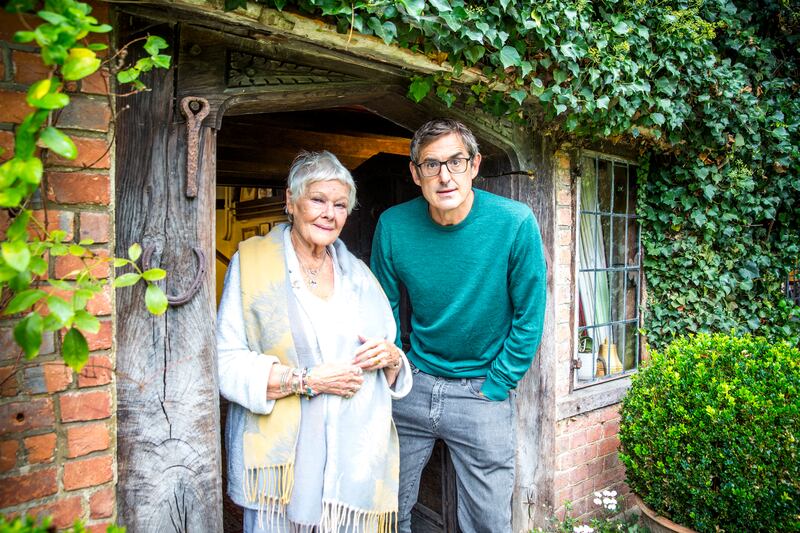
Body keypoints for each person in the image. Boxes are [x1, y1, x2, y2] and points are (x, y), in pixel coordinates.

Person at [217, 150, 412, 533]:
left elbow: (391, 354)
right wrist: (307, 381)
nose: (330, 213)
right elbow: (225, 361)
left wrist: (391, 359)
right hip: (282, 466)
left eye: (340, 205)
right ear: (291, 201)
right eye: (318, 200)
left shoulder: (358, 274)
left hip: (348, 463)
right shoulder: (252, 263)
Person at [370, 119, 546, 532]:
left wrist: (498, 383)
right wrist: (396, 365)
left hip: (481, 393)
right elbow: (382, 307)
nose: (445, 176)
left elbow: (530, 313)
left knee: (488, 523)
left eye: (456, 161)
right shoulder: (393, 226)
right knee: (383, 508)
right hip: (411, 386)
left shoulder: (515, 222)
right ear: (415, 173)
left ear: (475, 165)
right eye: (431, 165)